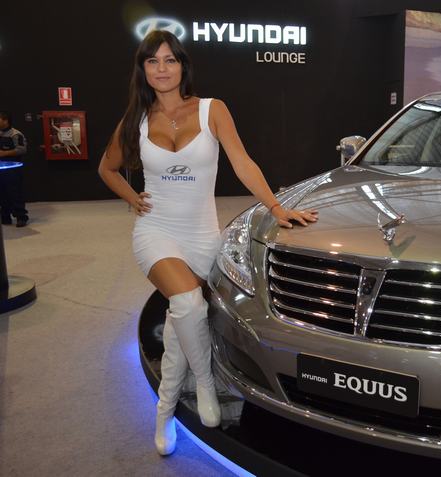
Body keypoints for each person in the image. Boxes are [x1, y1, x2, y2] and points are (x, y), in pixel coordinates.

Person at [97, 30, 318, 456]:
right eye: (152, 61)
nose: (162, 69)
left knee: (181, 325)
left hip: (201, 234)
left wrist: (275, 207)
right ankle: (205, 384)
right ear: (143, 70)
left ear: (183, 66)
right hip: (156, 229)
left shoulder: (212, 110)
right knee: (189, 304)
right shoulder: (136, 119)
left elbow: (242, 162)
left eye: (169, 60)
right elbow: (107, 168)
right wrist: (133, 198)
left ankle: (164, 411)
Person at [0, 111, 29, 227]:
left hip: (13, 170)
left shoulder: (16, 134)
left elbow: (22, 149)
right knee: (2, 194)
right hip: (1, 170)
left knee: (15, 193)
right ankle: (5, 217)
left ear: (5, 120)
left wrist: (4, 153)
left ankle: (21, 217)